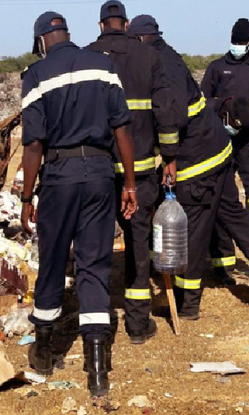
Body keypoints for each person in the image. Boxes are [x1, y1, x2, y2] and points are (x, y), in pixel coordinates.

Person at [128, 15, 249, 320]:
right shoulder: (169, 57)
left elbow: (169, 117)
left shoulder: (158, 65)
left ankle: (187, 304)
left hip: (198, 162)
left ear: (140, 39)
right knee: (234, 216)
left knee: (192, 231)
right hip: (219, 152)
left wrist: (168, 157)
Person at [20, 11, 137, 397]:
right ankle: (97, 370)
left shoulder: (35, 77)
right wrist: (130, 183)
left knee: (53, 259)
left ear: (40, 42)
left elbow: (34, 143)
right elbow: (122, 126)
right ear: (68, 34)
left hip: (60, 176)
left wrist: (26, 196)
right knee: (94, 264)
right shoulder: (103, 66)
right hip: (101, 174)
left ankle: (44, 352)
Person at [87, 0, 176, 345]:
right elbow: (165, 110)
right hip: (139, 174)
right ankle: (138, 326)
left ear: (100, 25)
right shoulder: (148, 57)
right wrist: (170, 155)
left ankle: (97, 324)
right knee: (138, 246)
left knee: (94, 246)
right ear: (125, 24)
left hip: (96, 171)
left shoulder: (88, 58)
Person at [201, 18, 249, 284]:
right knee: (224, 196)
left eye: (241, 42)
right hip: (222, 143)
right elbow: (204, 104)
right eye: (235, 42)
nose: (238, 46)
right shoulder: (216, 69)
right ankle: (223, 264)